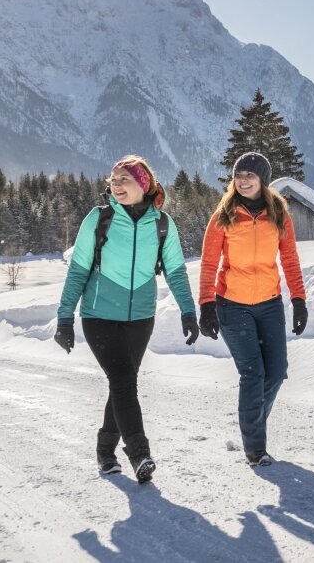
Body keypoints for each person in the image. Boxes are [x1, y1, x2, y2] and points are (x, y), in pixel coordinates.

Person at [54, 155, 199, 483]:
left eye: (125, 179)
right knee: (123, 382)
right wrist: (65, 317)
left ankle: (105, 451)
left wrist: (188, 311)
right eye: (113, 179)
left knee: (122, 385)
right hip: (99, 315)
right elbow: (78, 269)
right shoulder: (99, 219)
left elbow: (176, 271)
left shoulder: (162, 224)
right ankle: (139, 453)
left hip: (141, 318)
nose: (116, 184)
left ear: (143, 184)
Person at [196, 151, 308, 467]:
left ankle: (252, 424)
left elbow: (290, 259)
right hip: (232, 304)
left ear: (263, 180)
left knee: (276, 372)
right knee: (253, 373)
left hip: (270, 303)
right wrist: (206, 304)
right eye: (239, 175)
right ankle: (255, 448)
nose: (243, 180)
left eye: (250, 175)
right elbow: (208, 262)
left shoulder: (279, 214)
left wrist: (298, 300)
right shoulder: (224, 215)